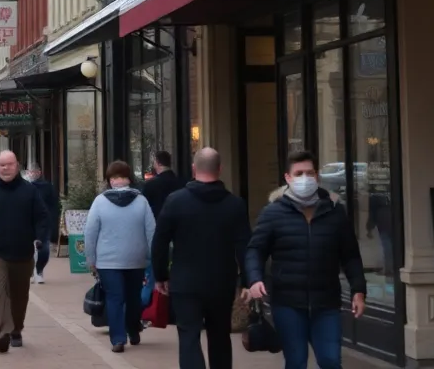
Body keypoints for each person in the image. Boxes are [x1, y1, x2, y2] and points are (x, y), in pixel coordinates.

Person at [246, 150, 367, 369]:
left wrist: (358, 291)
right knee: (296, 361)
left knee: (330, 360)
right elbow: (255, 250)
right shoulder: (273, 213)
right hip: (288, 304)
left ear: (317, 176)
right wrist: (255, 279)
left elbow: (350, 256)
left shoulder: (335, 212)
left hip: (326, 303)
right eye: (299, 173)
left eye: (310, 173)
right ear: (288, 178)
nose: (305, 178)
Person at [152, 147, 251, 369]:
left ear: (194, 169)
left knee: (188, 337)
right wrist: (247, 279)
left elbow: (159, 242)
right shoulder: (234, 204)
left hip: (185, 281)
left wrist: (160, 275)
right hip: (221, 282)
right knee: (220, 336)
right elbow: (244, 245)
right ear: (220, 169)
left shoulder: (176, 201)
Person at [0, 150, 49, 353]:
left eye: (9, 164)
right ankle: (3, 331)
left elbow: (41, 217)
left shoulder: (30, 191)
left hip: (22, 252)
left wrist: (39, 237)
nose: (6, 168)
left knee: (19, 295)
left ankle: (16, 329)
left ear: (17, 165)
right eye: (2, 165)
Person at [85, 160, 156, 354]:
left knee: (114, 298)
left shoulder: (100, 202)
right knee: (133, 297)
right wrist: (153, 257)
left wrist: (91, 259)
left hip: (107, 261)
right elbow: (152, 232)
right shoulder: (141, 201)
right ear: (129, 179)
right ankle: (133, 330)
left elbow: (90, 233)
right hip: (136, 259)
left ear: (110, 180)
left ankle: (118, 338)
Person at [26, 162, 60, 284]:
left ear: (39, 173)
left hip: (44, 222)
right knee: (27, 249)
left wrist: (53, 219)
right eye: (30, 172)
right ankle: (30, 272)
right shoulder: (25, 187)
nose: (32, 174)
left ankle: (39, 270)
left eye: (34, 172)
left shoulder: (47, 187)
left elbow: (54, 204)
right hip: (28, 222)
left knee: (44, 249)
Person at [142, 150, 180, 219]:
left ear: (158, 163)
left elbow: (144, 207)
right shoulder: (180, 182)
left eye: (154, 161)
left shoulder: (151, 184)